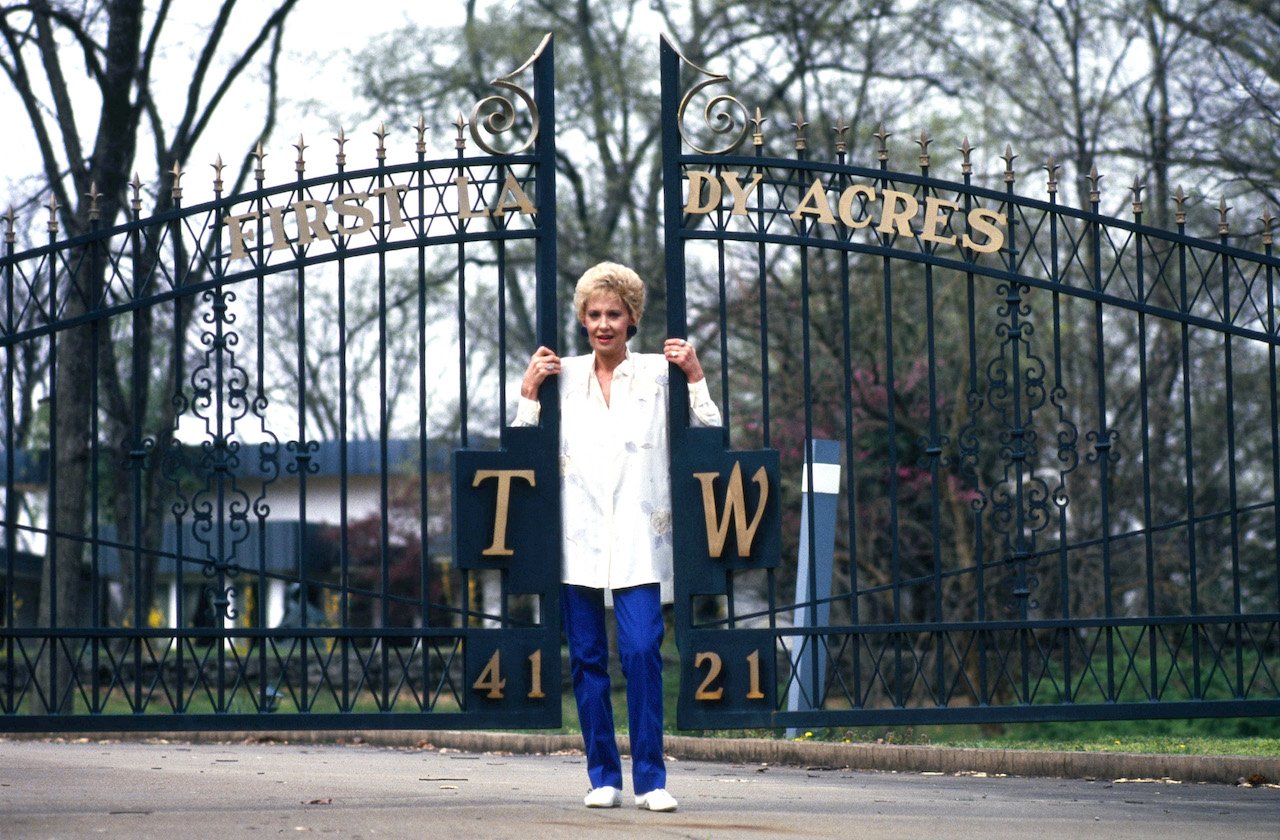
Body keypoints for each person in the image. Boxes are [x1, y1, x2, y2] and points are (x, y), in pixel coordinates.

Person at [514, 261, 721, 813]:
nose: (603, 324)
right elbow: (522, 456)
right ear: (582, 320)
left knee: (641, 652)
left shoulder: (659, 373)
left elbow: (709, 438)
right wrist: (529, 392)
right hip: (575, 540)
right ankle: (602, 773)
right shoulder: (561, 375)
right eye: (594, 314)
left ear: (632, 320)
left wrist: (696, 377)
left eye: (615, 314)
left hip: (640, 538)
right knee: (585, 659)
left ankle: (651, 778)